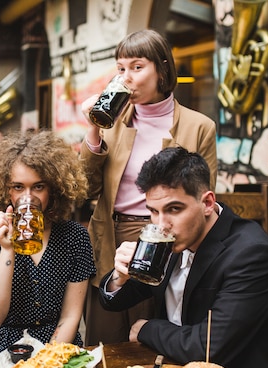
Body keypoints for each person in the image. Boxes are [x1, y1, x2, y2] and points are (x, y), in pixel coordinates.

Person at [100, 147, 268, 368]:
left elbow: (208, 347)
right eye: (153, 211)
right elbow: (114, 301)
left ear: (207, 203)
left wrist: (147, 328)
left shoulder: (251, 253)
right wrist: (119, 277)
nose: (161, 224)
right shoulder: (169, 239)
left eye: (174, 209)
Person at [79, 29, 217, 345]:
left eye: (137, 67)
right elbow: (86, 189)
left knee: (151, 334)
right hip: (112, 237)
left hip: (168, 238)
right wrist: (94, 129)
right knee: (106, 338)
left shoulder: (199, 127)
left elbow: (206, 198)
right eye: (121, 68)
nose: (127, 78)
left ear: (162, 69)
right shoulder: (113, 124)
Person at [0, 131, 96, 358]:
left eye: (38, 187)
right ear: (5, 189)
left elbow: (70, 316)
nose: (28, 197)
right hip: (4, 349)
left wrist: (46, 361)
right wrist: (7, 248)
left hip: (59, 346)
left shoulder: (75, 237)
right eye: (18, 187)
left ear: (54, 188)